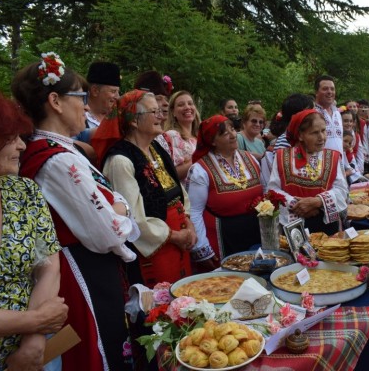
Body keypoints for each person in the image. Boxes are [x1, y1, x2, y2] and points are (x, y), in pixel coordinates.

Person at [14, 52, 138, 371]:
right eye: (80, 96)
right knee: (96, 351)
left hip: (86, 264)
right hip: (81, 271)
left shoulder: (61, 151)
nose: (85, 105)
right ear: (55, 101)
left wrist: (116, 206)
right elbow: (107, 230)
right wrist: (121, 208)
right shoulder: (57, 160)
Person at [93, 90, 214, 285]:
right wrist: (174, 236)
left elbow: (178, 190)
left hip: (180, 239)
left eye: (160, 111)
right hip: (155, 249)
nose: (161, 116)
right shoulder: (120, 161)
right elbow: (132, 217)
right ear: (134, 121)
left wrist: (189, 222)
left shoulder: (155, 149)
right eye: (154, 112)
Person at [0, 89, 68, 371]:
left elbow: (47, 265)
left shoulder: (24, 190)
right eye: (11, 138)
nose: (22, 146)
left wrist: (33, 341)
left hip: (34, 355)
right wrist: (37, 321)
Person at [189, 115, 263, 259]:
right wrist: (203, 249)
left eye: (232, 129)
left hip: (255, 233)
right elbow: (195, 211)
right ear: (213, 141)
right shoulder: (200, 170)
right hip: (224, 239)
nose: (233, 135)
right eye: (224, 133)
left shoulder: (250, 158)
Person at [268, 109, 348, 235]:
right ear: (300, 135)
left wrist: (317, 202)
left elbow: (342, 190)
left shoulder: (333, 157)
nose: (321, 137)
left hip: (325, 224)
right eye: (314, 133)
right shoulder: (282, 157)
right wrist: (298, 205)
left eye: (323, 131)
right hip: (293, 224)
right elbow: (273, 190)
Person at [164, 90, 201, 188]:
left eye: (190, 103)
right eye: (181, 105)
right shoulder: (172, 136)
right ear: (173, 112)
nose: (187, 107)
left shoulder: (200, 137)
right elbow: (171, 174)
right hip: (186, 196)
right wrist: (200, 158)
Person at [85, 62, 121, 129]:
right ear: (95, 91)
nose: (118, 97)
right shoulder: (77, 116)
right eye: (113, 91)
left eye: (118, 92)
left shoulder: (118, 119)